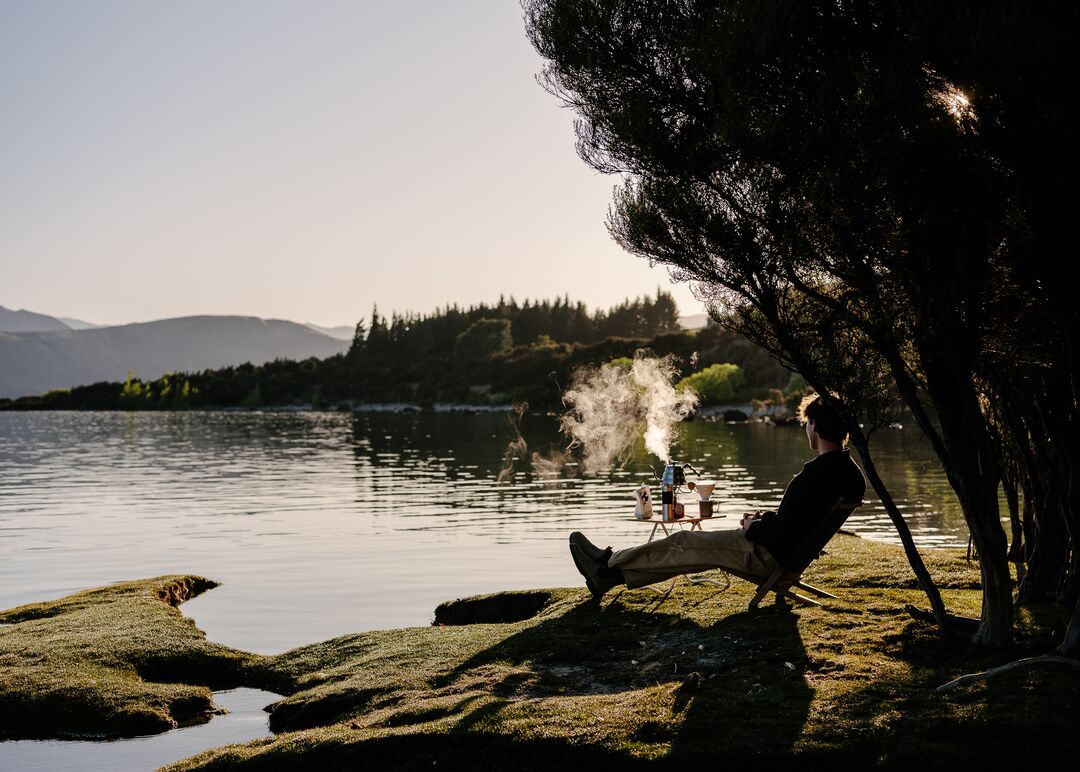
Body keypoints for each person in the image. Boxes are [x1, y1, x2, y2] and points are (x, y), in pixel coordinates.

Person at [569, 393, 867, 599]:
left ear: (814, 425)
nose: (806, 430)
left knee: (685, 542)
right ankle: (610, 573)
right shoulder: (848, 473)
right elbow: (801, 521)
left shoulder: (814, 475)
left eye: (806, 424)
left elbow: (783, 535)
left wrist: (754, 527)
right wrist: (763, 519)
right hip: (785, 557)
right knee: (689, 547)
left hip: (767, 558)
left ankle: (608, 566)